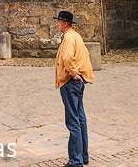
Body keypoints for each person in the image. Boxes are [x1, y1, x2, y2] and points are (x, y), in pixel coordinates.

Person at [54, 10, 94, 167]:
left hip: (70, 82)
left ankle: (76, 161)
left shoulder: (69, 37)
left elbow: (67, 58)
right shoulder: (75, 36)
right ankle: (83, 156)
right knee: (80, 118)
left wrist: (73, 73)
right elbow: (85, 54)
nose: (56, 24)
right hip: (78, 81)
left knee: (73, 121)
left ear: (65, 23)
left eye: (58, 21)